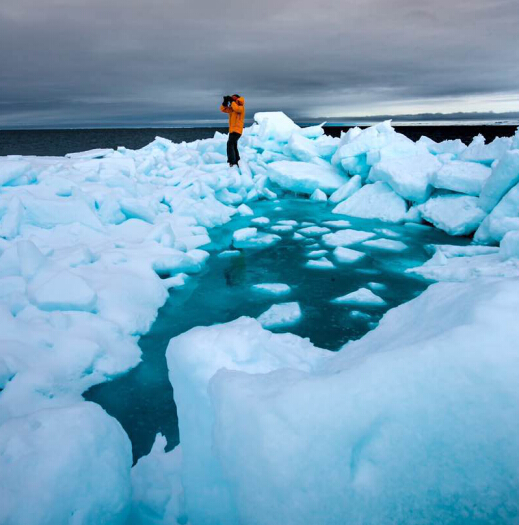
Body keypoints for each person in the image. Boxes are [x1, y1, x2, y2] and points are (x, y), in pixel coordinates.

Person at [220, 94, 245, 167]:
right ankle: (237, 160)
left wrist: (232, 101)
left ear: (237, 99)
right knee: (233, 145)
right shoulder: (232, 108)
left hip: (237, 130)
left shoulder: (241, 107)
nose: (232, 100)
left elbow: (237, 109)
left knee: (230, 144)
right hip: (232, 130)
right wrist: (225, 103)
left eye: (233, 99)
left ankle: (232, 162)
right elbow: (223, 109)